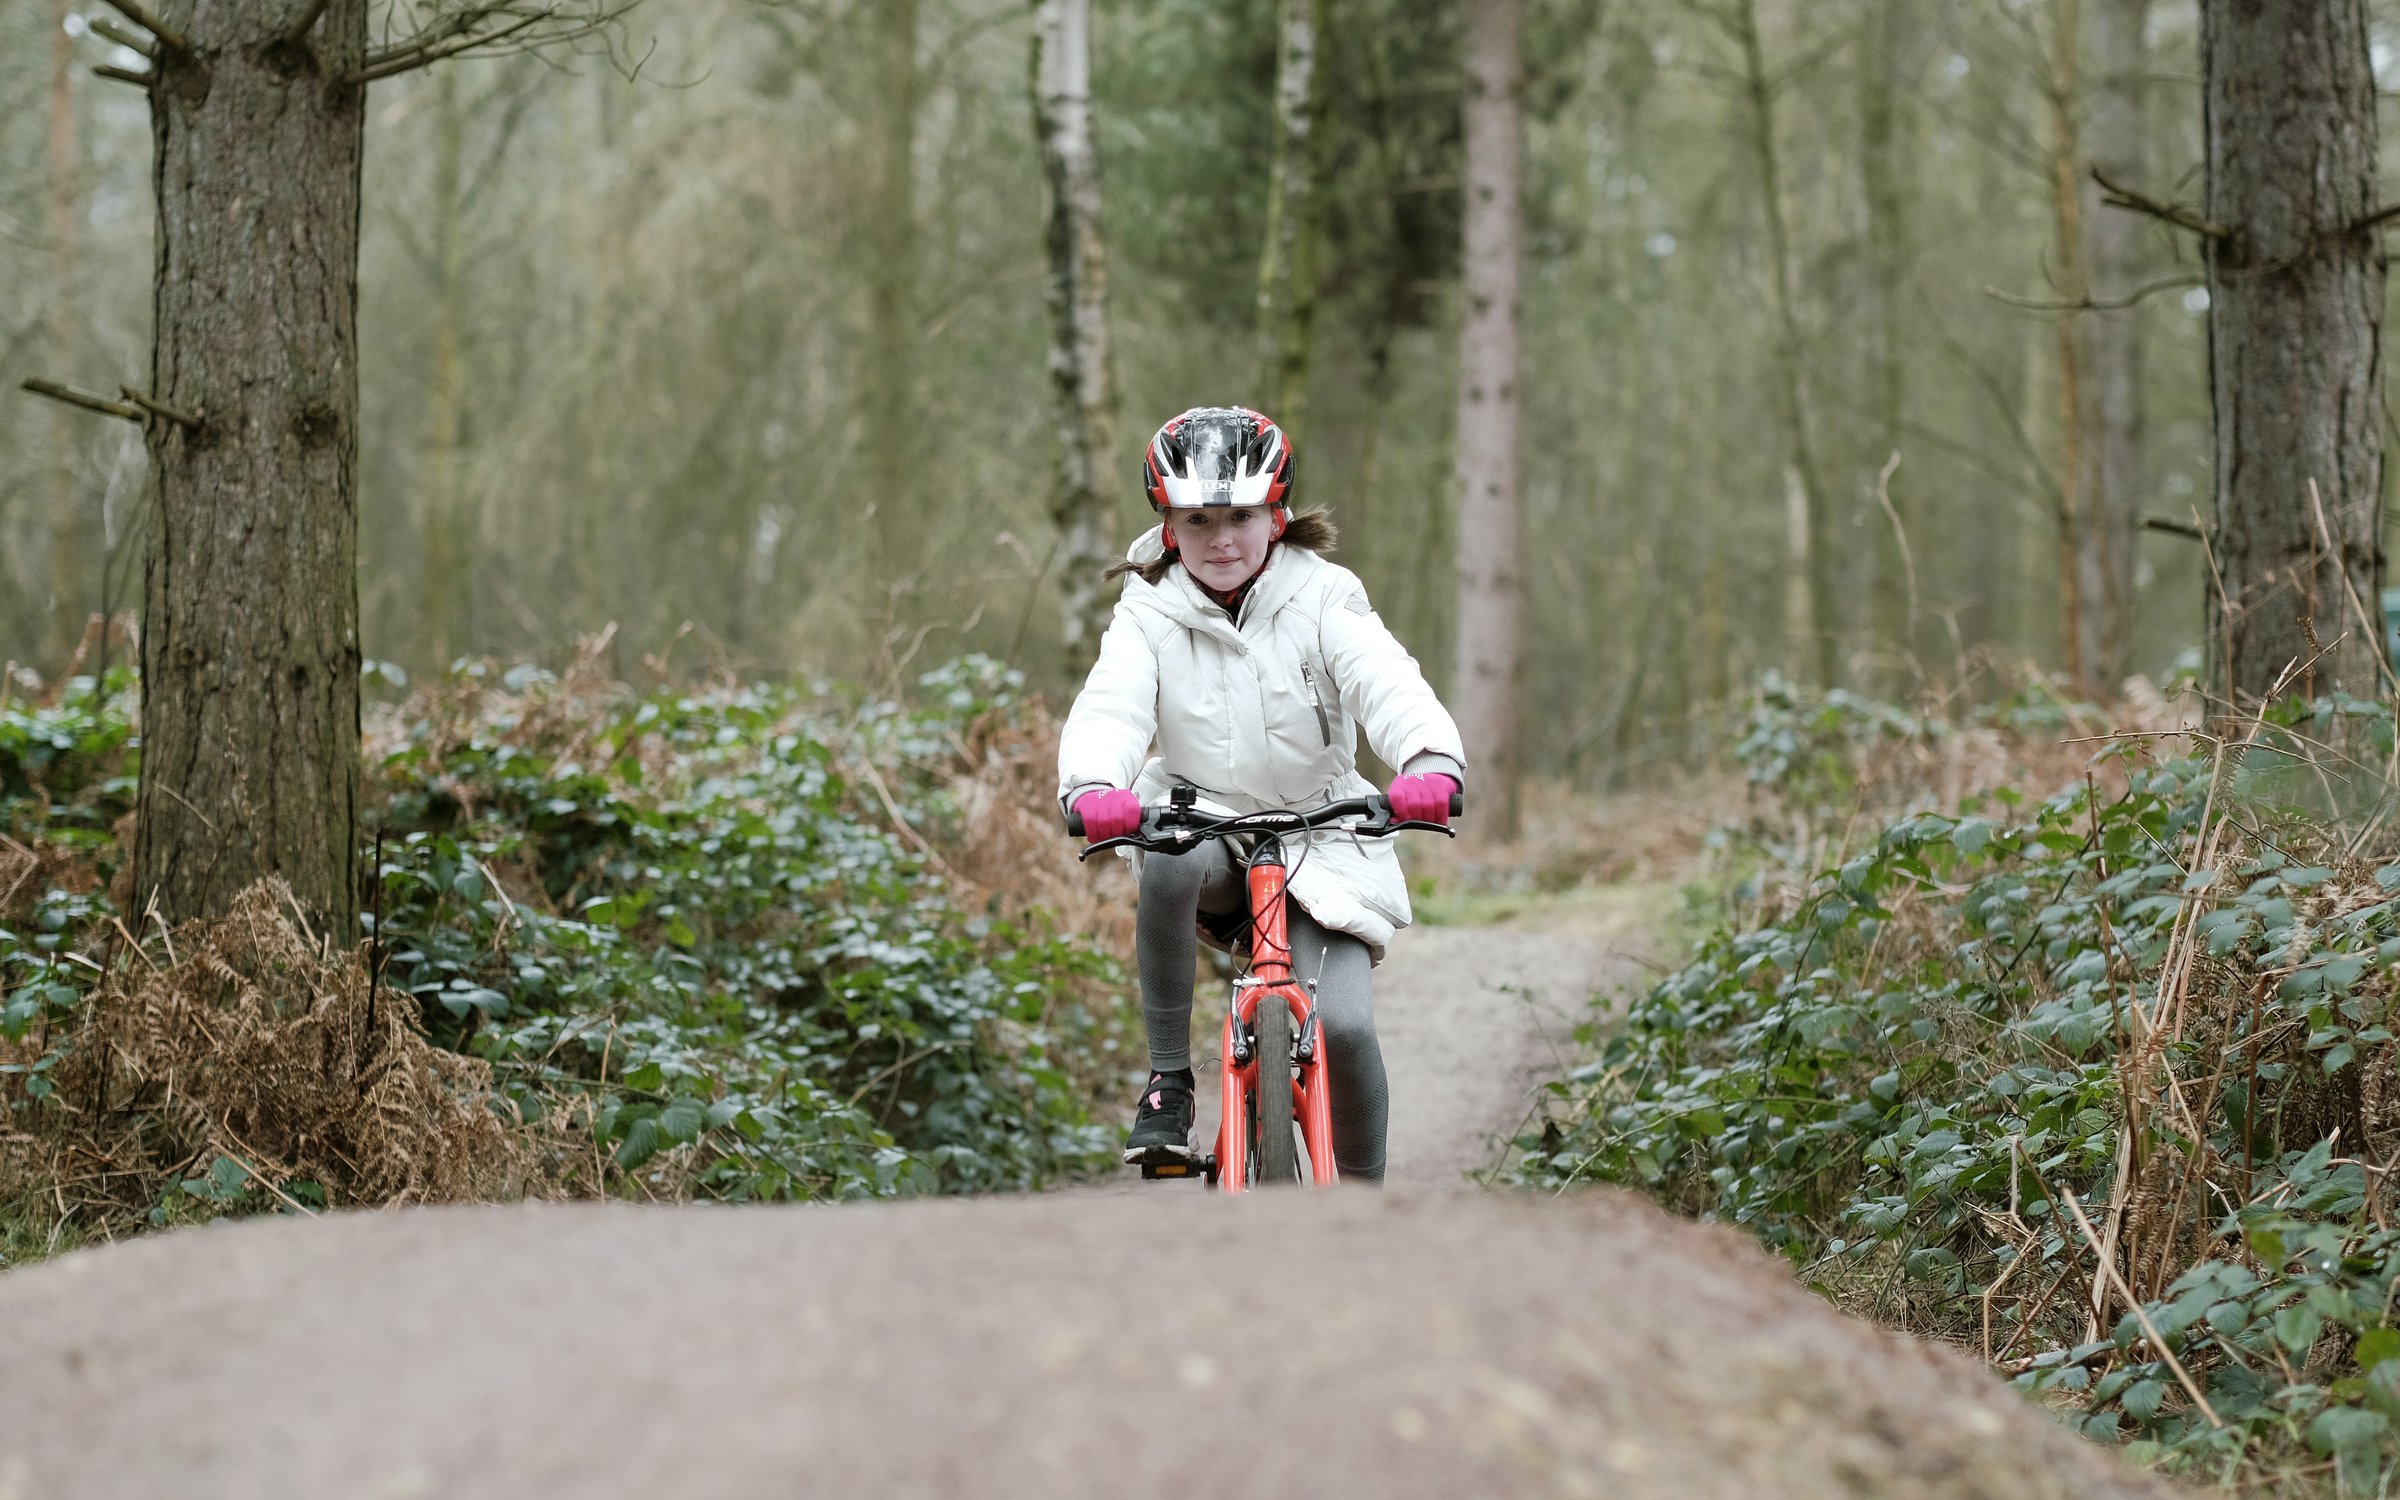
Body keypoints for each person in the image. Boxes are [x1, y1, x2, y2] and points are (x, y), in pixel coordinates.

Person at [1055, 405, 1466, 1183]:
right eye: (1198, 518)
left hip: (1323, 828)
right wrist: (1094, 785)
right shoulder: (1149, 612)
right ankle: (1169, 1080)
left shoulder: (1325, 597)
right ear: (1169, 526)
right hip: (1202, 818)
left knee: (1343, 1026)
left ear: (1276, 515)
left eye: (1240, 515)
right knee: (1171, 853)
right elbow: (1113, 702)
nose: (1220, 538)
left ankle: (1365, 1200)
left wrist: (1428, 762)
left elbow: (1387, 681)